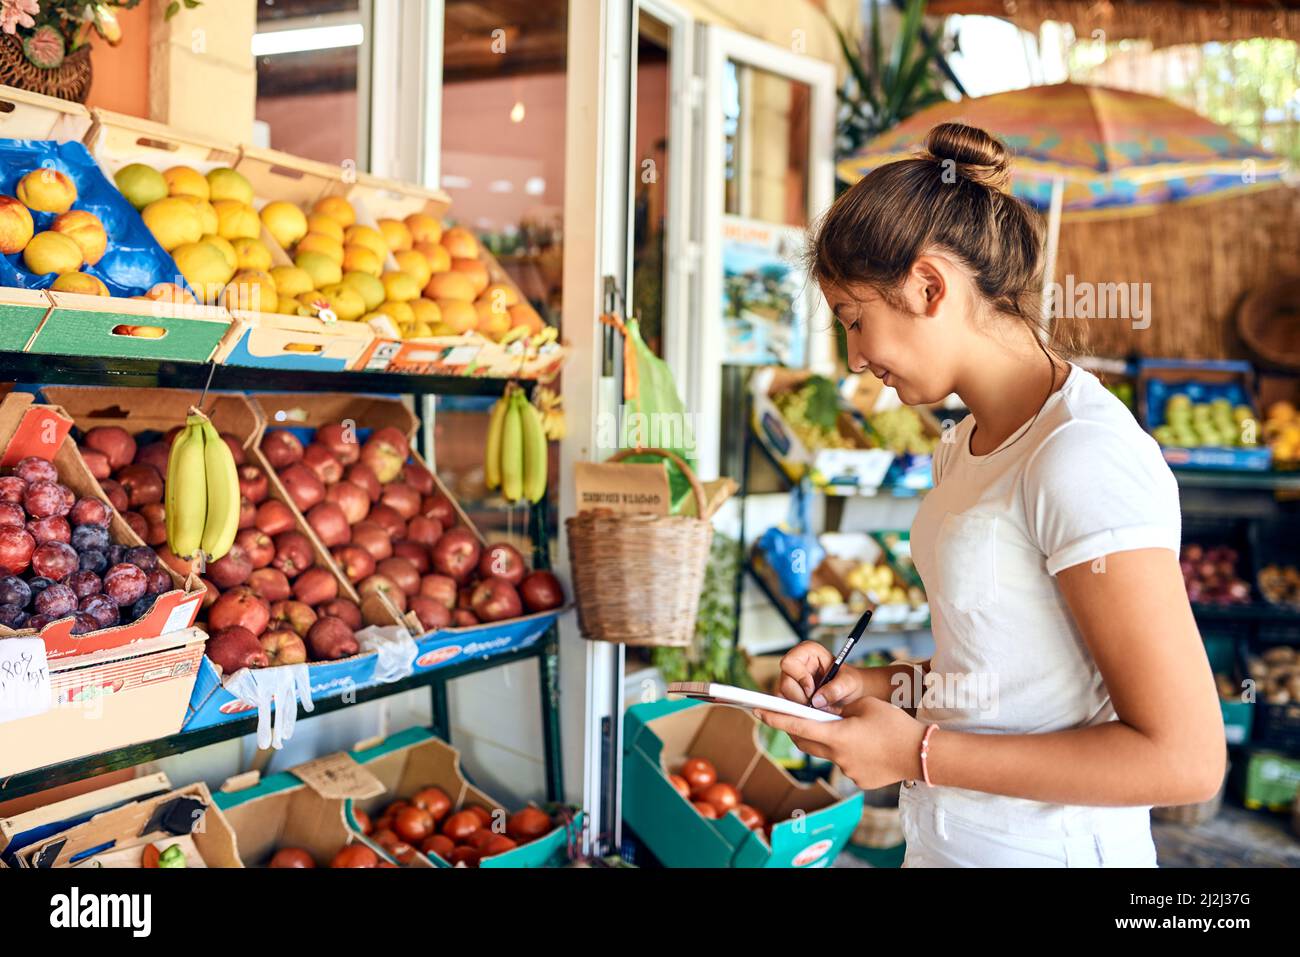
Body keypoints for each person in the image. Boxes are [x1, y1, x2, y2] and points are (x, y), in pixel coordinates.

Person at [754, 122, 1224, 867]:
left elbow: (1184, 758)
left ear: (929, 285)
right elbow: (1007, 673)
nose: (855, 358)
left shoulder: (1081, 456)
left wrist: (918, 754)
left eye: (855, 321)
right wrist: (866, 686)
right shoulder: (963, 446)